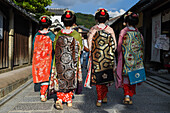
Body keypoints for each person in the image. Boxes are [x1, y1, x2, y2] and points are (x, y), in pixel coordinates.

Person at [84, 8, 117, 107]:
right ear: (106, 18)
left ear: (97, 18)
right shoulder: (110, 30)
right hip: (107, 59)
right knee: (106, 79)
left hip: (97, 58)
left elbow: (89, 45)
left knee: (98, 79)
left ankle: (99, 99)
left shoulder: (93, 29)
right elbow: (114, 45)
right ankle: (105, 96)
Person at [53, 10, 83, 110]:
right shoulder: (76, 35)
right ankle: (69, 100)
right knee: (70, 78)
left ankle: (60, 99)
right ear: (73, 22)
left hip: (60, 61)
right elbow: (80, 49)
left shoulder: (58, 34)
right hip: (71, 62)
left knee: (60, 78)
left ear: (63, 21)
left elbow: (54, 47)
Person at [116, 11, 144, 105]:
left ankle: (127, 95)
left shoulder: (124, 31)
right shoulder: (138, 33)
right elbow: (142, 44)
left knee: (126, 76)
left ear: (127, 22)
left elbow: (119, 45)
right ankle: (130, 95)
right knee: (134, 76)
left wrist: (119, 52)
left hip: (126, 57)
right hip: (136, 58)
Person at [32, 15, 55, 102]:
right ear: (49, 25)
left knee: (41, 75)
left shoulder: (36, 35)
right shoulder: (51, 35)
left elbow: (34, 46)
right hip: (49, 58)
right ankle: (43, 93)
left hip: (38, 59)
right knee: (47, 75)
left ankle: (42, 93)